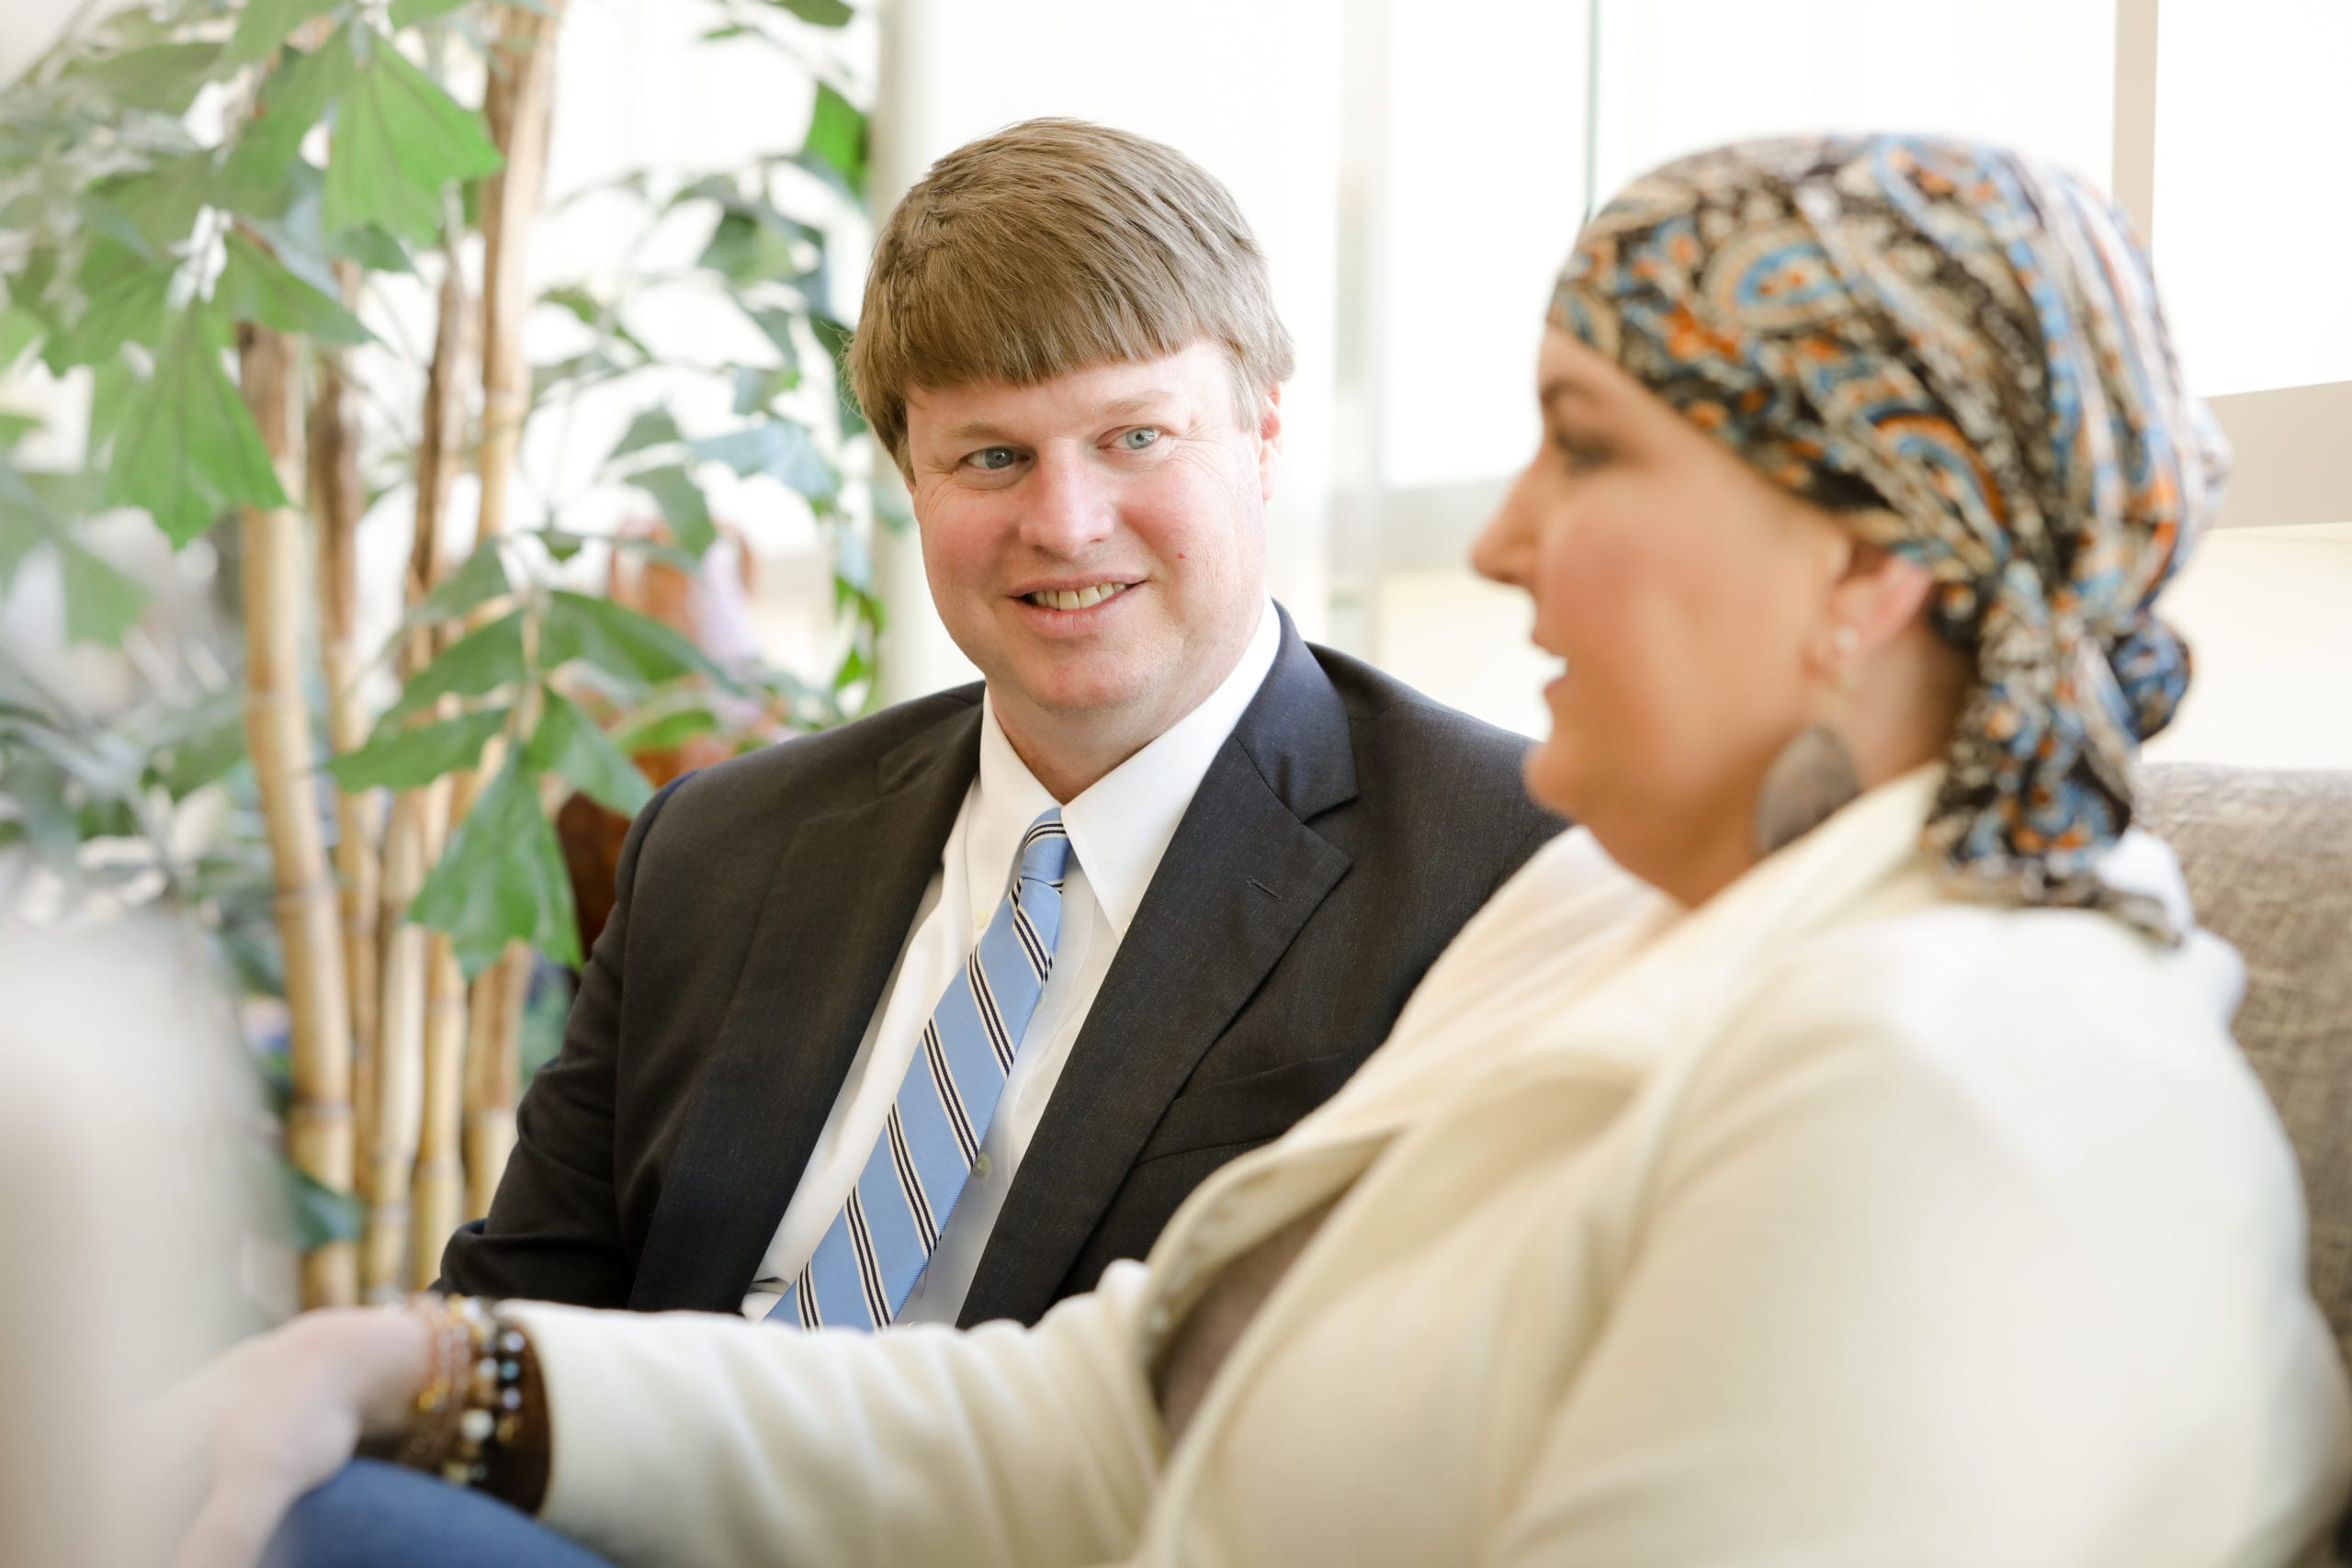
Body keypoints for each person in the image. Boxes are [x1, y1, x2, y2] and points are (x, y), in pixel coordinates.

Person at [187, 133, 2350, 1568]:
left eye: (1581, 454)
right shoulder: (1616, 911)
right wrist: (425, 1367)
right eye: (991, 456)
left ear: (1866, 564)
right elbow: (1113, 1416)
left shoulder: (1934, 1085)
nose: (1499, 539)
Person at [436, 118, 1559, 1327]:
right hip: (626, 1505)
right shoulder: (715, 852)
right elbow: (512, 1317)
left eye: (1134, 436)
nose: (1066, 523)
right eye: (989, 458)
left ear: (1265, 435)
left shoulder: (1499, 864)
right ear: (910, 480)